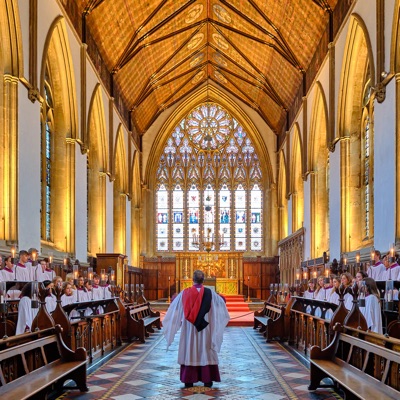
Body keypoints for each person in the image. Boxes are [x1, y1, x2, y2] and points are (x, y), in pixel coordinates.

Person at [162, 270, 230, 388]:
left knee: (190, 348)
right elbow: (222, 304)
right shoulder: (210, 293)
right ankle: (207, 379)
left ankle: (189, 379)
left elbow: (173, 309)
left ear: (192, 280)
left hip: (189, 329)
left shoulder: (184, 293)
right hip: (205, 327)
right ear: (203, 280)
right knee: (205, 349)